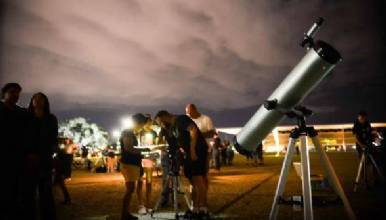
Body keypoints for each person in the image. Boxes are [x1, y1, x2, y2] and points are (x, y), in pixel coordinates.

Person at [155, 110, 209, 218]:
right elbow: (175, 144)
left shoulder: (181, 120)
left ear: (164, 117)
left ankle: (203, 209)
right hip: (189, 152)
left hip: (197, 150)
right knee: (193, 181)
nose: (160, 125)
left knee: (198, 179)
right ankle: (195, 208)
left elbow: (193, 130)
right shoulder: (173, 127)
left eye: (159, 122)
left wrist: (193, 149)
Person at [24, 92, 58, 220]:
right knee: (28, 193)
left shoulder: (51, 118)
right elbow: (23, 138)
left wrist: (53, 156)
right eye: (35, 99)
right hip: (29, 160)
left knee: (46, 192)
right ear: (32, 101)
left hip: (45, 160)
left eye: (41, 99)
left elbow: (53, 139)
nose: (38, 101)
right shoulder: (26, 117)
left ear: (45, 102)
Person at [0, 83, 28, 220]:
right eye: (12, 92)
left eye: (17, 93)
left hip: (18, 157)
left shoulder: (21, 113)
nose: (15, 95)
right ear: (4, 94)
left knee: (16, 189)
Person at [119, 130, 142, 220]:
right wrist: (142, 150)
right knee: (130, 189)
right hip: (129, 164)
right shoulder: (128, 133)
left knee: (130, 189)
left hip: (130, 164)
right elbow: (129, 148)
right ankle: (124, 214)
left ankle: (126, 213)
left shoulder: (129, 133)